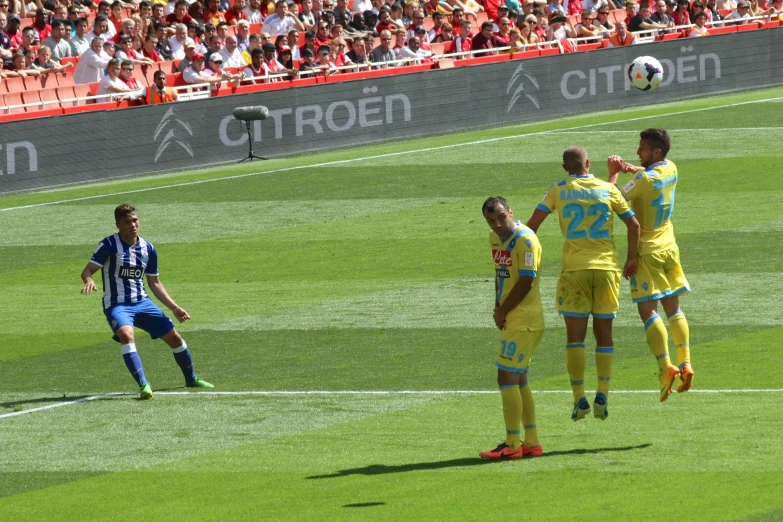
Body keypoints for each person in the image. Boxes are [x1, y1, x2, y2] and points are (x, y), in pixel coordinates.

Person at [526, 146, 639, 421]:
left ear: (565, 168)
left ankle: (579, 399)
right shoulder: (608, 189)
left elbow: (531, 227)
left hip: (574, 271)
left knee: (575, 338)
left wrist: (527, 261)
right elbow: (634, 225)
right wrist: (631, 259)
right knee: (605, 334)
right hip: (607, 269)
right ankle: (603, 393)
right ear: (588, 163)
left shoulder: (557, 189)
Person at [80, 205, 213, 400]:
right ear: (118, 225)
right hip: (117, 305)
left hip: (143, 303)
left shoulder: (148, 248)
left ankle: (191, 378)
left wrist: (174, 307)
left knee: (174, 338)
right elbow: (87, 270)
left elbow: (154, 282)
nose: (133, 225)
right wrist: (89, 280)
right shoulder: (108, 245)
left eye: (135, 220)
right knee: (126, 334)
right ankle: (144, 384)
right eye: (127, 222)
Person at [607, 129, 694, 402]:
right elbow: (647, 179)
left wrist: (614, 172)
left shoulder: (642, 179)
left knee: (648, 311)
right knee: (674, 309)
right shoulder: (671, 167)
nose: (638, 151)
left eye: (643, 148)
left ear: (656, 152)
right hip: (670, 247)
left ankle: (665, 367)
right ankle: (686, 362)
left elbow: (612, 200)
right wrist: (635, 169)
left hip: (648, 253)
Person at [478, 196, 545, 460]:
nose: (496, 224)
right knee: (519, 380)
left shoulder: (526, 240)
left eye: (500, 217)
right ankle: (531, 442)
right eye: (490, 220)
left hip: (525, 320)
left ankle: (512, 445)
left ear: (511, 212)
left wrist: (504, 310)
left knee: (505, 378)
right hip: (512, 319)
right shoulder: (494, 239)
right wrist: (498, 307)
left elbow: (527, 280)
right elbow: (500, 274)